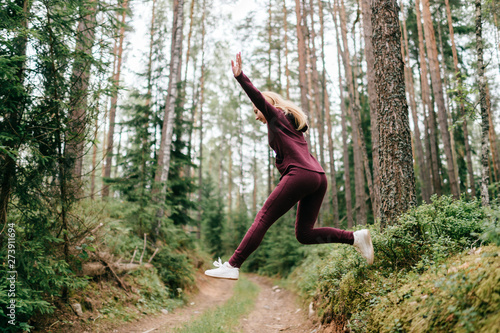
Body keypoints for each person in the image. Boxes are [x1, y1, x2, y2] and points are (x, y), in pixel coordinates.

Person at [205, 52, 374, 280]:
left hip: (301, 175)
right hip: (318, 177)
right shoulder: (290, 123)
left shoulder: (276, 116)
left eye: (256, 112)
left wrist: (240, 77)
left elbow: (259, 99)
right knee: (304, 234)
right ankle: (354, 237)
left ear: (269, 105)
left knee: (263, 217)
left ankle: (233, 265)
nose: (256, 116)